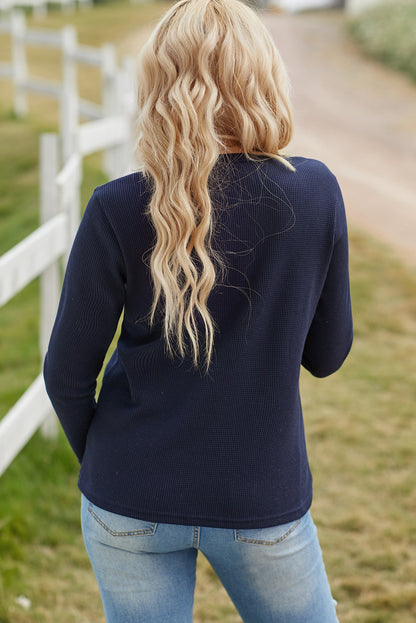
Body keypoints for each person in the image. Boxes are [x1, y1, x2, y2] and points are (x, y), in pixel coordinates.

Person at [43, 0, 353, 621]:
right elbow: (327, 355)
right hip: (260, 498)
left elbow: (65, 374)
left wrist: (115, 461)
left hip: (128, 496)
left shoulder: (116, 206)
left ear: (158, 85)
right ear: (261, 76)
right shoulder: (314, 190)